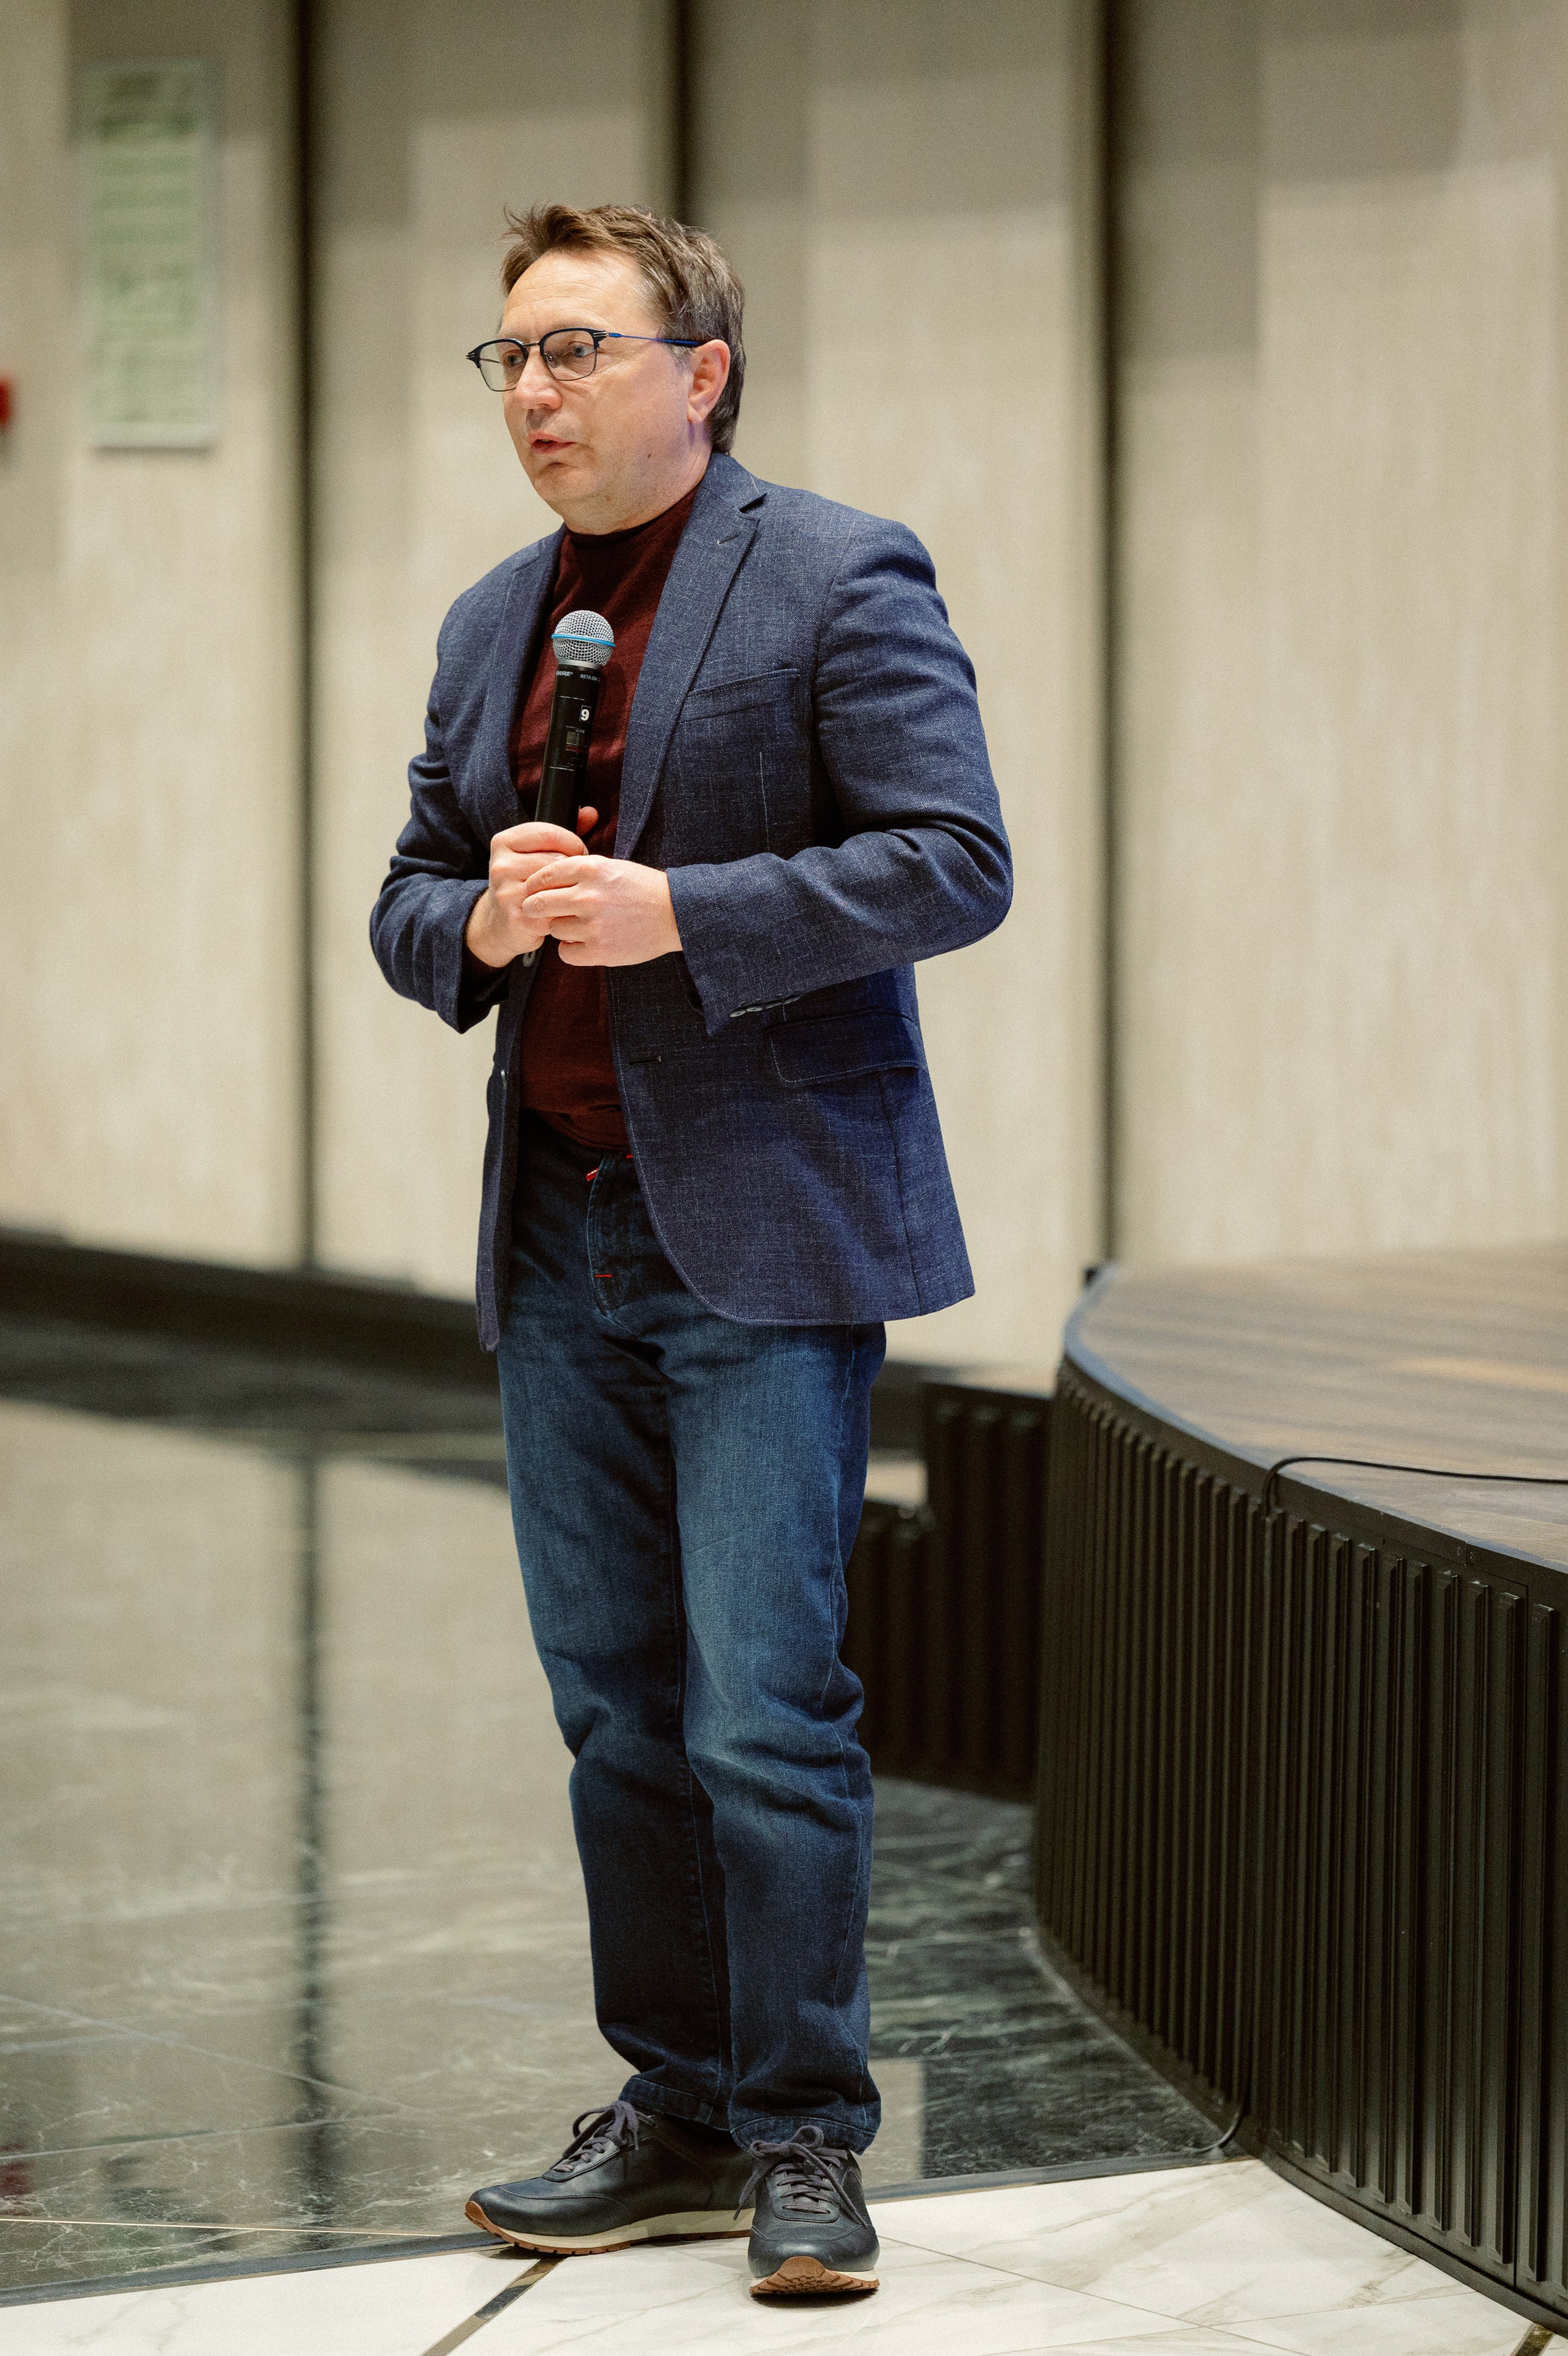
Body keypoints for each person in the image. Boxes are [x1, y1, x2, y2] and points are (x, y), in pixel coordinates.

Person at [371, 201, 1010, 2301]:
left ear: (701, 370)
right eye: (512, 358)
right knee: (618, 1714)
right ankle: (677, 2108)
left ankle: (810, 2131)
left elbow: (955, 860)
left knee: (765, 1712)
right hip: (558, 1226)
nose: (535, 394)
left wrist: (688, 914)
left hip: (761, 1225)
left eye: (578, 350)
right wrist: (476, 920)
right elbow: (408, 892)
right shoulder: (496, 621)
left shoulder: (834, 571)